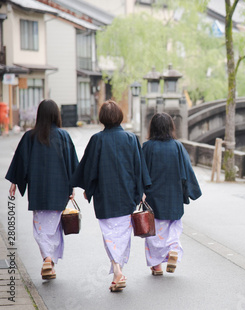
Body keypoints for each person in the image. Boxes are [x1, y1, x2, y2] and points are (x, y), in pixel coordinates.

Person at [71, 100, 151, 292]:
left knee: (109, 234)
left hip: (104, 196)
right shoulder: (131, 139)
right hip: (127, 195)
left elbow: (89, 169)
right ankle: (118, 270)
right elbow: (138, 168)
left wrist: (88, 189)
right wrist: (141, 191)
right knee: (122, 234)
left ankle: (117, 270)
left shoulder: (97, 140)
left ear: (102, 118)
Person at [5, 99, 79, 280]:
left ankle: (48, 260)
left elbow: (20, 163)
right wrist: (72, 186)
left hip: (38, 192)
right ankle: (49, 260)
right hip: (59, 191)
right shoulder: (64, 136)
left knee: (40, 227)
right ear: (56, 115)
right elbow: (72, 165)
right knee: (54, 228)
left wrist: (14, 181)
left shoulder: (30, 137)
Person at [142, 113, 201, 276]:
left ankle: (157, 266)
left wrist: (139, 192)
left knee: (154, 233)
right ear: (170, 128)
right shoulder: (177, 146)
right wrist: (192, 192)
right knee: (173, 228)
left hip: (153, 198)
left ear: (152, 128)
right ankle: (173, 250)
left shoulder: (147, 147)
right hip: (173, 197)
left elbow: (141, 172)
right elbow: (187, 171)